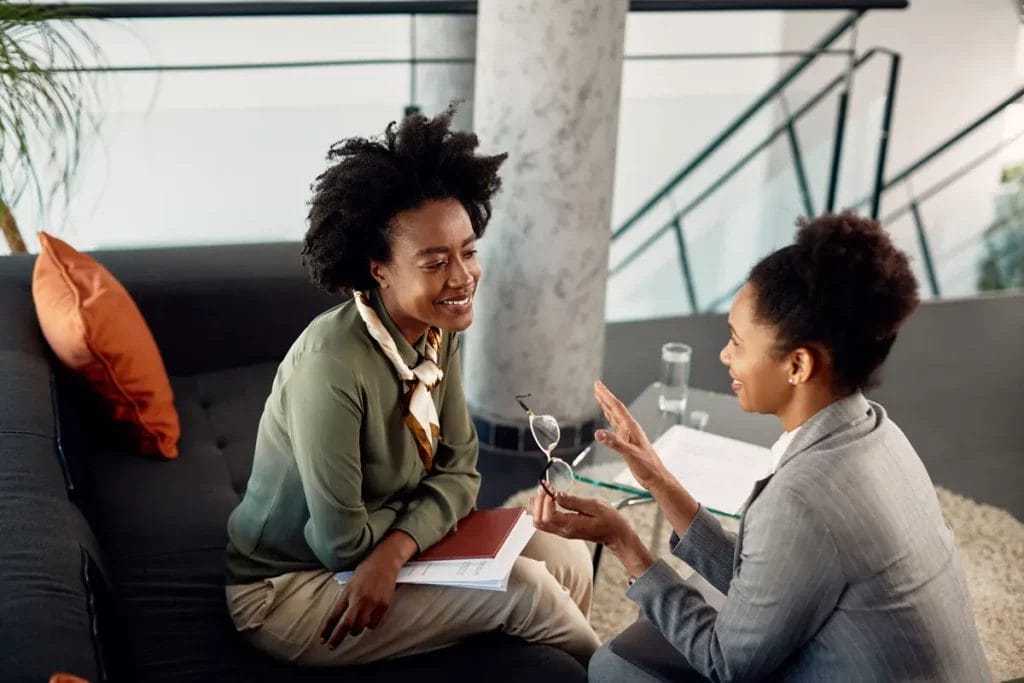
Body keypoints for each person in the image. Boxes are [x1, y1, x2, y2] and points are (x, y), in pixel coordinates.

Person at [530, 213, 991, 682]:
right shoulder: (880, 434)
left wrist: (623, 543)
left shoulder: (801, 500)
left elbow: (726, 664)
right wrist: (657, 479)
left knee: (613, 669)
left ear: (798, 364)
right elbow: (776, 576)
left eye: (737, 341)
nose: (725, 355)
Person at [225, 106, 600, 667]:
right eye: (434, 262)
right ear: (379, 269)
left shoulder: (435, 330)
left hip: (386, 549)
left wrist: (399, 545)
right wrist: (418, 522)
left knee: (567, 556)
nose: (461, 279)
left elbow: (461, 471)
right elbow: (341, 544)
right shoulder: (333, 365)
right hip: (292, 589)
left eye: (468, 252)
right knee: (530, 590)